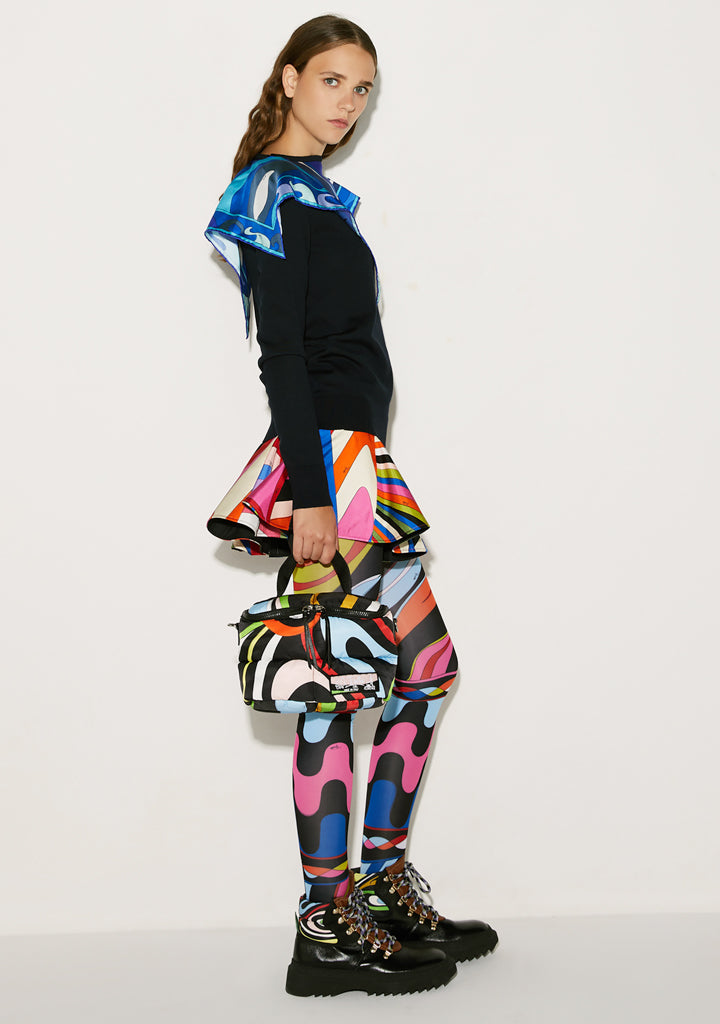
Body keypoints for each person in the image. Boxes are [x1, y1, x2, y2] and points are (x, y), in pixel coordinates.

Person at [204, 14, 498, 998]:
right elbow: (282, 356)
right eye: (333, 80)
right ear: (289, 79)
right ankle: (326, 924)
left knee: (426, 669)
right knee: (331, 687)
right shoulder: (268, 195)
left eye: (363, 88)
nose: (349, 103)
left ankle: (377, 885)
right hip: (329, 469)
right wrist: (311, 493)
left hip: (362, 465)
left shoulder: (318, 198)